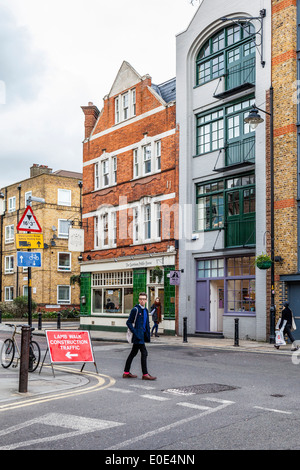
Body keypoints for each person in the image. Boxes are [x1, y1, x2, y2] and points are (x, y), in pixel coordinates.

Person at [123, 292, 156, 380]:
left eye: (144, 299)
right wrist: (135, 332)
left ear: (146, 300)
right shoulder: (135, 310)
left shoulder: (145, 310)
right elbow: (128, 322)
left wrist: (147, 334)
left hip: (142, 335)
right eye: (140, 299)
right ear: (138, 300)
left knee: (133, 353)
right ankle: (145, 374)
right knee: (144, 353)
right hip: (138, 336)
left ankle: (126, 372)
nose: (142, 301)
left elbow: (145, 323)